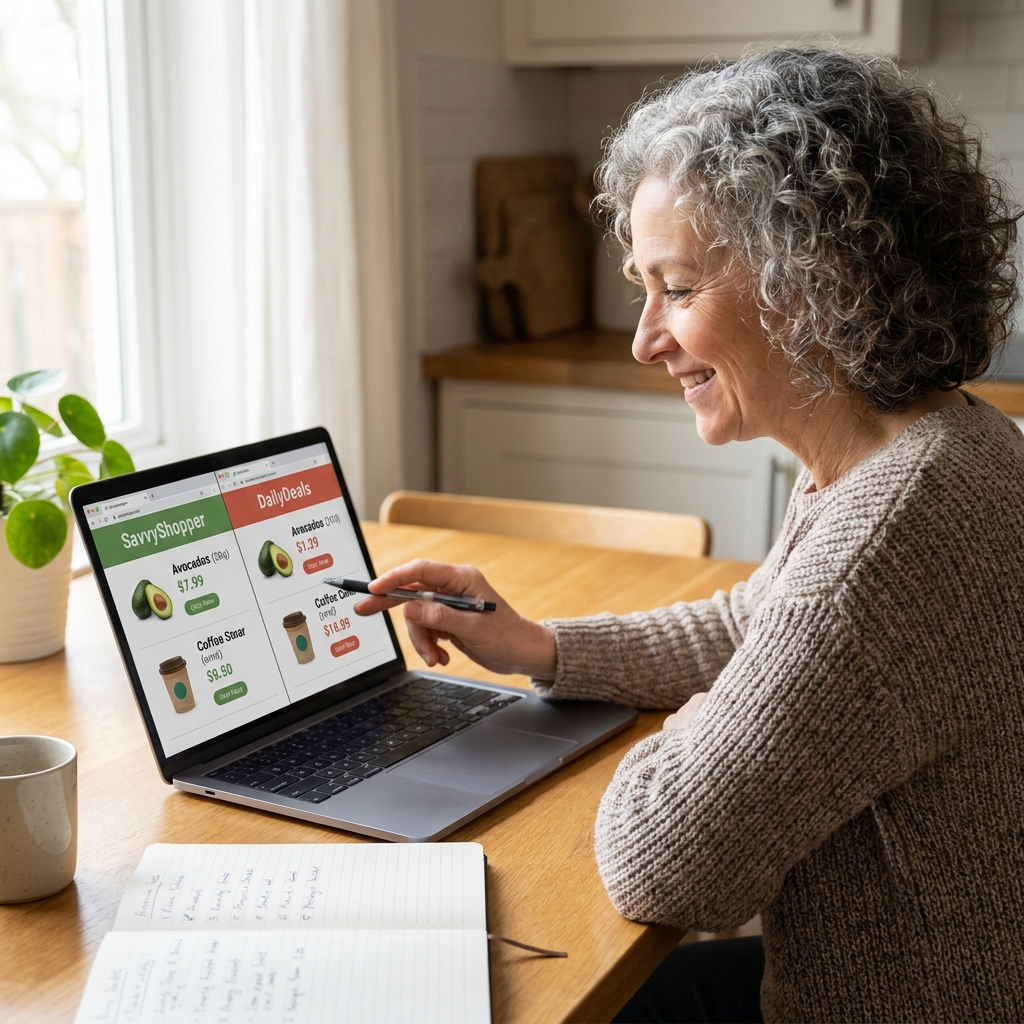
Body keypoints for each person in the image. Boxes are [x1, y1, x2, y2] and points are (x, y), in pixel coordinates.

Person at [356, 46, 1024, 1022]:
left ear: (810, 280)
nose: (644, 338)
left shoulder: (885, 539)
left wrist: (699, 732)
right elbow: (766, 622)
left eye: (675, 287)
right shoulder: (941, 443)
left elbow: (662, 863)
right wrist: (543, 646)